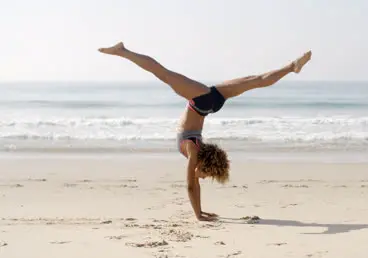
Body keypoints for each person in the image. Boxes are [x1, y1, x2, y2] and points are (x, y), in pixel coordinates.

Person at [98, 42, 312, 221]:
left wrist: (200, 211)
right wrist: (197, 214)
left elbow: (194, 182)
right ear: (205, 162)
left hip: (212, 104)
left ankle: (291, 67)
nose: (204, 176)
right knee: (162, 73)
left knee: (255, 80)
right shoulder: (192, 150)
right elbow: (191, 185)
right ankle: (122, 51)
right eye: (207, 173)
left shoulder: (196, 150)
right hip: (201, 101)